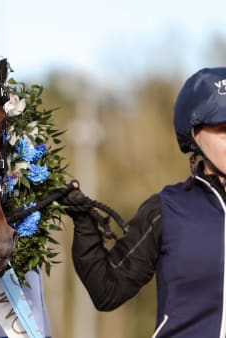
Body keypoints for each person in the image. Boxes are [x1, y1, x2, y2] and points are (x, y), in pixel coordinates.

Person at [60, 67, 226, 338]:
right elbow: (108, 291)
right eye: (223, 129)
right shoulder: (167, 210)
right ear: (195, 134)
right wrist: (84, 222)